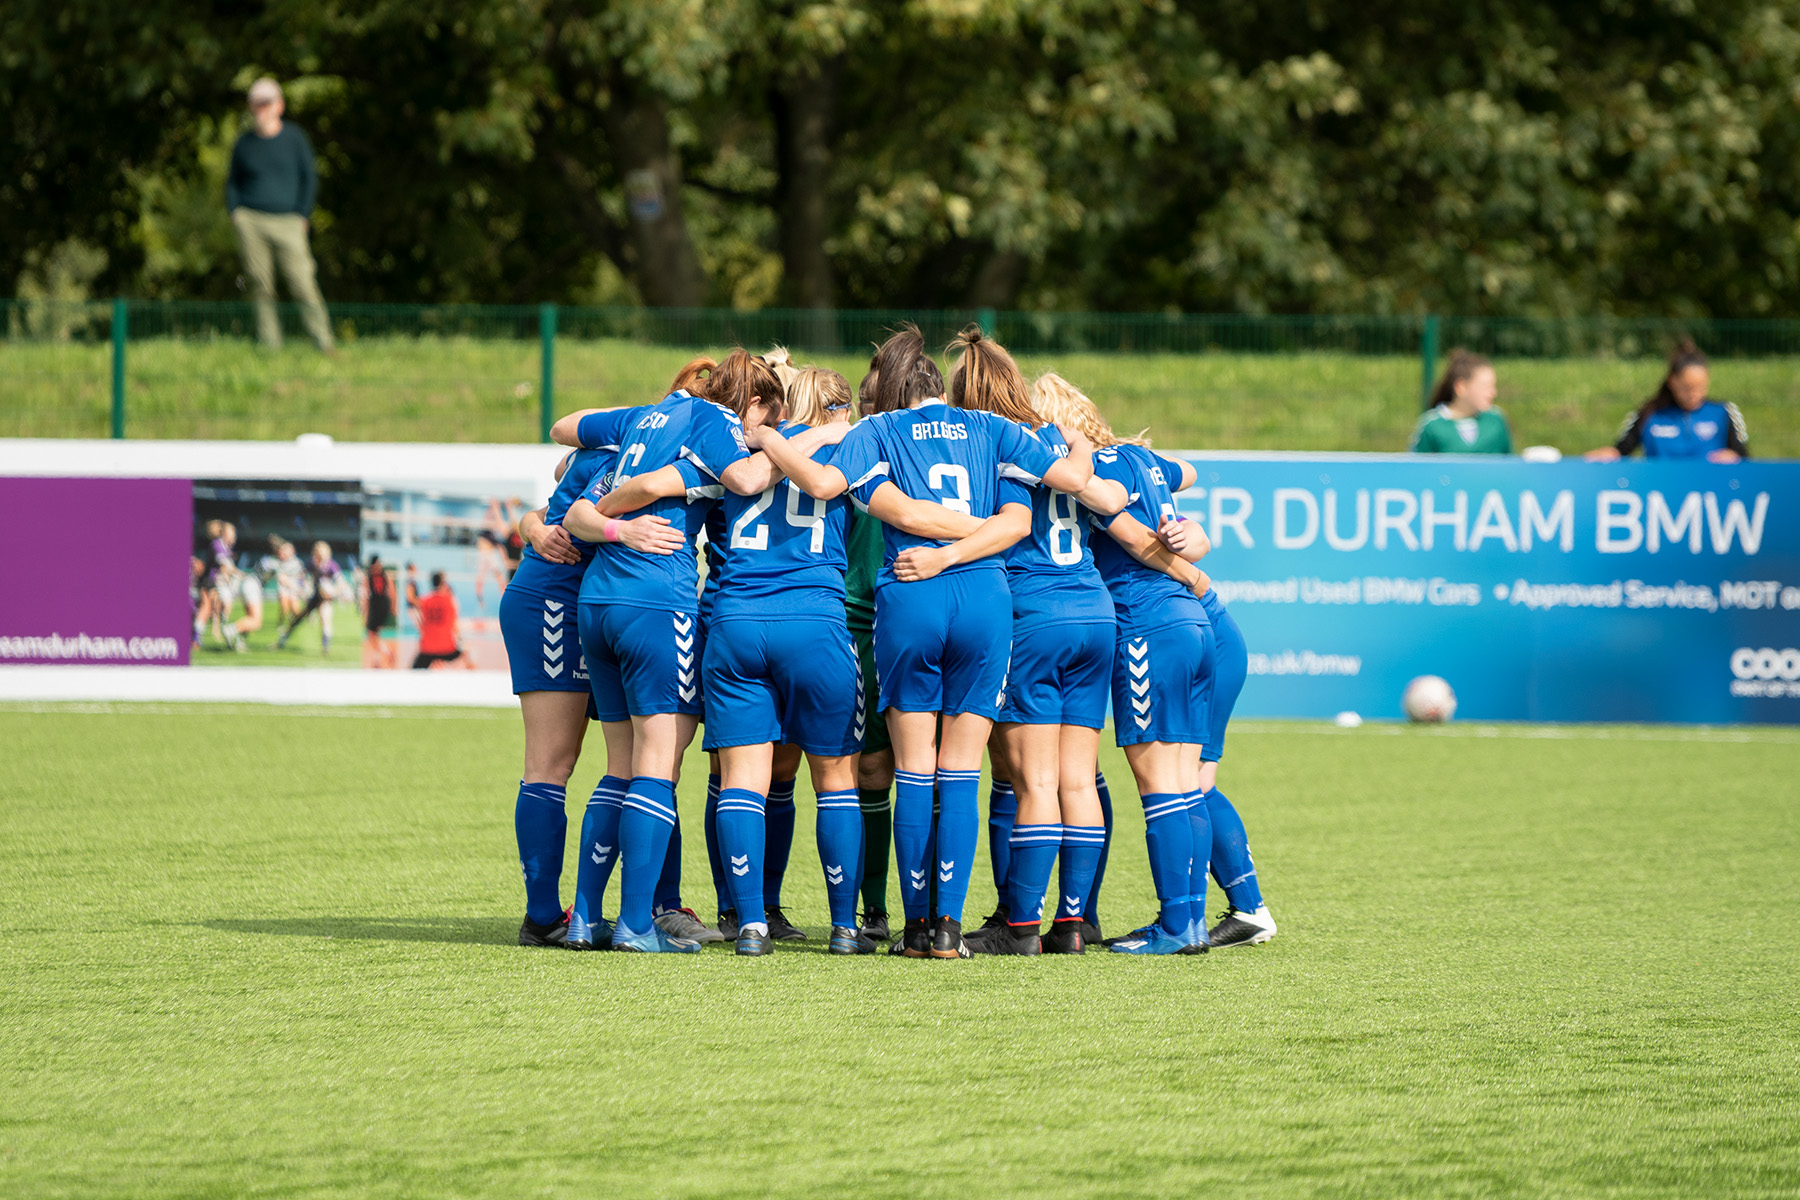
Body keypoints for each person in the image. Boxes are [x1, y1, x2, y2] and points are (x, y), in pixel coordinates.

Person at [752, 325, 1093, 959]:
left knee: (913, 770)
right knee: (961, 771)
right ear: (939, 384)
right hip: (986, 597)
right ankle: (949, 932)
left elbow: (826, 488)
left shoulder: (875, 432)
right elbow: (1067, 485)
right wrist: (1075, 441)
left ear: (896, 388)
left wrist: (770, 437)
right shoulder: (991, 430)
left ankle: (912, 928)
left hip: (911, 593)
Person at [903, 342, 1123, 957]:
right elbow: (1106, 498)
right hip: (1093, 609)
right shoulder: (1052, 441)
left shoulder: (989, 442)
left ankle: (1020, 923)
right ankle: (1073, 924)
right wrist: (1081, 443)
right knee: (1078, 780)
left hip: (1033, 614)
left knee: (1032, 782)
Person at [500, 443, 688, 949]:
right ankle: (542, 917)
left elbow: (548, 505)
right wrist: (535, 529)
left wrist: (532, 525)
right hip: (555, 601)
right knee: (553, 761)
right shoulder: (632, 453)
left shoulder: (636, 449)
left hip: (593, 604)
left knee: (636, 762)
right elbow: (554, 506)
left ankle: (650, 906)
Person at [1153, 508, 1279, 949]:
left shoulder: (1115, 488)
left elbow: (1198, 538)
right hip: (1206, 634)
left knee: (1193, 783)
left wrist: (1191, 555)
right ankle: (1244, 909)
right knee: (1192, 781)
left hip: (1208, 637)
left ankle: (1244, 910)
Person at [227, 77, 333, 353]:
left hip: (289, 221)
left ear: (279, 105)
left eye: (267, 102)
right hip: (251, 220)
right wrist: (236, 213)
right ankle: (269, 345)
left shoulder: (295, 139)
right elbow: (232, 181)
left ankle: (323, 342)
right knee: (259, 283)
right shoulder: (244, 144)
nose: (261, 108)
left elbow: (309, 178)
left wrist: (302, 215)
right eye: (256, 104)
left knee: (302, 281)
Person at [1585, 342, 1749, 463]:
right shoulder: (1650, 413)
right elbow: (1620, 451)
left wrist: (1734, 458)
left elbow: (1746, 460)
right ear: (1672, 381)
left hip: (1710, 494)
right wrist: (1606, 455)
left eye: (1700, 387)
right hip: (1660, 493)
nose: (1694, 394)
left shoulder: (1724, 412)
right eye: (1687, 387)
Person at [1411, 350, 1512, 454]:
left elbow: (1509, 464)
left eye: (1493, 386)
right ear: (1461, 387)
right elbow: (1418, 467)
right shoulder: (1432, 426)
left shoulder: (1495, 420)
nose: (1493, 393)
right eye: (1485, 386)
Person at [275, 541, 343, 654]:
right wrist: (304, 589)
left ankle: (325, 647)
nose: (319, 557)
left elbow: (341, 583)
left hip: (326, 598)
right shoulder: (311, 564)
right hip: (315, 596)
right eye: (317, 554)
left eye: (321, 555)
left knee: (325, 619)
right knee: (298, 618)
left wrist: (333, 593)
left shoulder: (331, 565)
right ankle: (283, 639)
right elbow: (302, 577)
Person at [411, 572, 472, 669]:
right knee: (467, 653)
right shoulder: (450, 601)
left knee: (414, 669)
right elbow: (454, 626)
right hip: (447, 648)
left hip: (428, 648)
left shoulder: (424, 600)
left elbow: (420, 621)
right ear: (443, 583)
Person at [360, 556, 396, 669]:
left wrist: (393, 607)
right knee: (373, 635)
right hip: (376, 605)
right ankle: (384, 654)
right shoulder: (369, 577)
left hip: (381, 605)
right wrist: (365, 611)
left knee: (373, 634)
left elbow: (392, 591)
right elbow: (365, 595)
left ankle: (381, 656)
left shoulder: (383, 575)